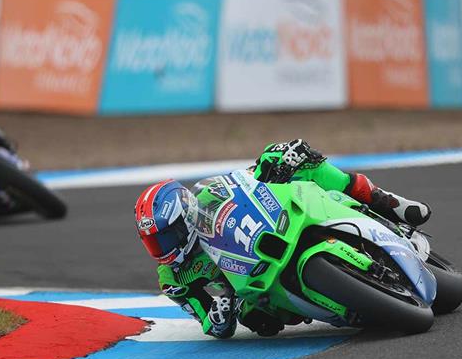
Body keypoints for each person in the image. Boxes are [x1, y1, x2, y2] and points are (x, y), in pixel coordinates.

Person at [134, 139, 431, 339]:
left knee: (307, 165)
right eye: (153, 242)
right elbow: (210, 325)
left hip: (271, 229)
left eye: (165, 236)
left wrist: (277, 160)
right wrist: (218, 312)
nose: (162, 248)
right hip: (249, 286)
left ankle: (389, 203)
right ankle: (343, 304)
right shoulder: (172, 278)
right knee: (261, 322)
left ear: (185, 215)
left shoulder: (208, 196)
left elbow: (245, 181)